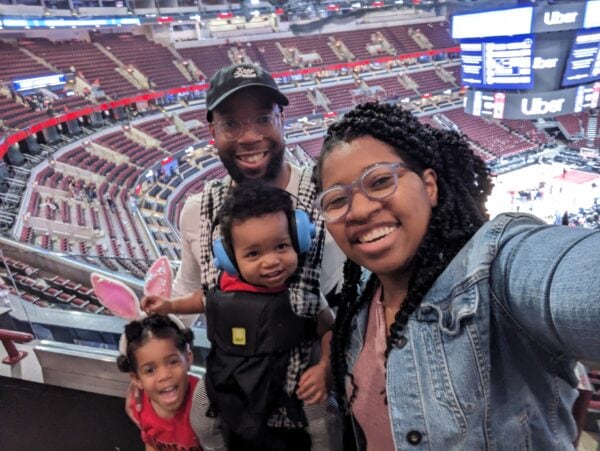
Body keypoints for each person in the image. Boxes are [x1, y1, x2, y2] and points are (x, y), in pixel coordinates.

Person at [312, 102, 600, 450]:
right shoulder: (358, 304)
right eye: (337, 200)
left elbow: (572, 279)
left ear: (429, 186)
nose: (359, 210)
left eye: (381, 181)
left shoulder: (497, 271)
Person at [142, 63, 344, 449]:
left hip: (308, 402)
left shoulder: (328, 196)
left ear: (282, 120)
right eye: (232, 124)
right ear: (213, 132)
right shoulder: (196, 211)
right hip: (237, 402)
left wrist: (326, 367)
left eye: (263, 119)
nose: (250, 136)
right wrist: (142, 355)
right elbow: (190, 291)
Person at [186, 181, 341, 450]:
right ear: (230, 259)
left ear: (298, 240)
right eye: (254, 253)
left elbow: (329, 329)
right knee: (200, 415)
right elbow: (196, 300)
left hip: (292, 383)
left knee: (325, 416)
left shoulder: (304, 297)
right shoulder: (221, 290)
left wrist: (323, 368)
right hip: (231, 375)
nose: (271, 261)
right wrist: (163, 310)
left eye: (281, 246)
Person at [116, 314, 207, 450]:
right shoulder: (139, 407)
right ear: (137, 379)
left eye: (172, 362)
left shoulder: (205, 400)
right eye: (150, 370)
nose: (164, 375)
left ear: (188, 359)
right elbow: (151, 443)